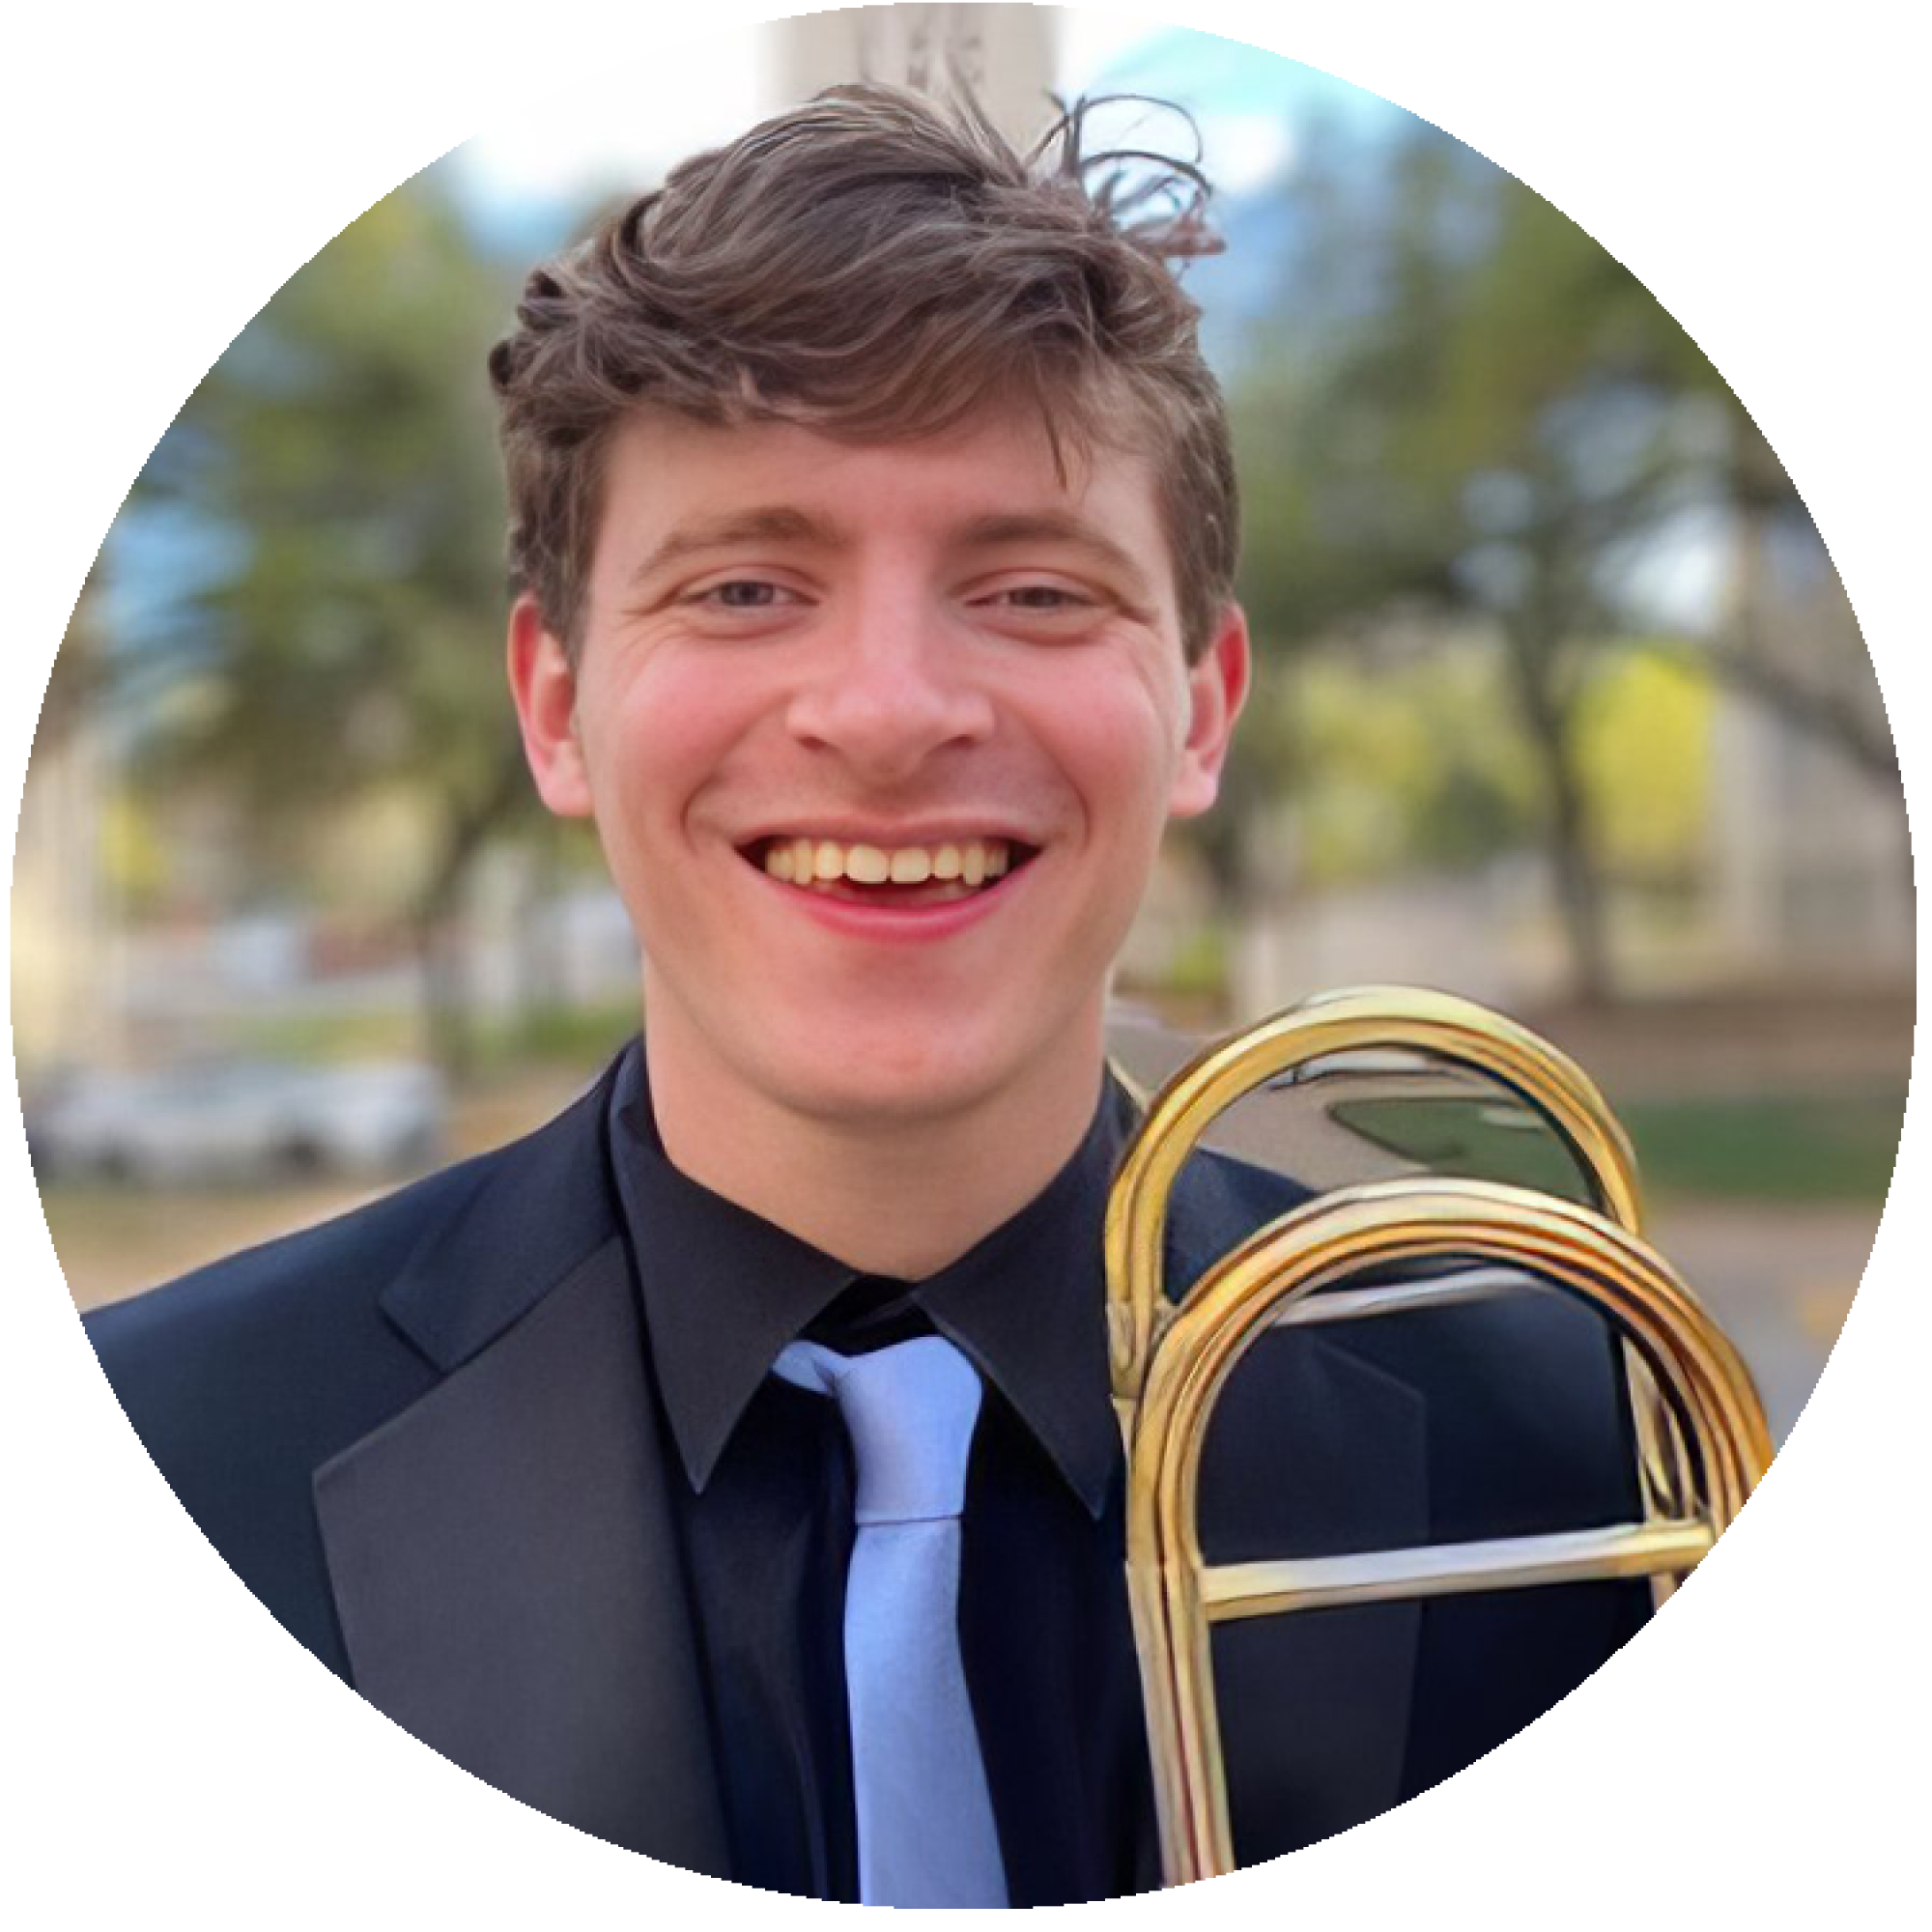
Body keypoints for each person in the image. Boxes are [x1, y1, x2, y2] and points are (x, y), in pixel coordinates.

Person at [84, 84, 1648, 1897]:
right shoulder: (184, 1443)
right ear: (554, 705)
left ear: (1204, 709)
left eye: (1038, 593)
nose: (892, 713)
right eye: (747, 586)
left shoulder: (1562, 1430)